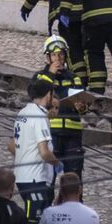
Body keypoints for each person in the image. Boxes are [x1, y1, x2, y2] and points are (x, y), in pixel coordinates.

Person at [9, 80, 60, 224]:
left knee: (35, 221)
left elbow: (12, 145)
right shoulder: (39, 116)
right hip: (34, 178)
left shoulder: (23, 112)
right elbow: (44, 152)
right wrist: (57, 163)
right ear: (48, 95)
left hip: (21, 175)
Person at [33, 35, 86, 179]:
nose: (58, 58)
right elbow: (36, 93)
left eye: (61, 54)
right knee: (47, 179)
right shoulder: (40, 77)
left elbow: (84, 106)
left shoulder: (74, 78)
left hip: (72, 135)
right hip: (50, 134)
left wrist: (81, 107)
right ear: (48, 57)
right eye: (54, 55)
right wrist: (51, 73)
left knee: (74, 179)